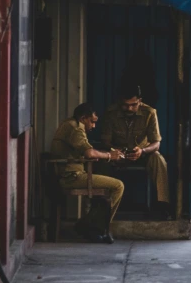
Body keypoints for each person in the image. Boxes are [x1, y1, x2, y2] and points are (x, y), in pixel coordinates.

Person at [50, 103, 125, 243]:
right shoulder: (76, 128)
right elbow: (90, 153)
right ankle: (94, 227)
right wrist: (110, 156)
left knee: (105, 181)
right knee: (118, 186)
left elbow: (86, 152)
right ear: (83, 118)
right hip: (71, 177)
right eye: (92, 121)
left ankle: (87, 223)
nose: (94, 126)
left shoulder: (69, 123)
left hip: (69, 174)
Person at [101, 85, 170, 219]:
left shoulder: (149, 112)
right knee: (102, 160)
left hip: (142, 153)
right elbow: (105, 142)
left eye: (133, 105)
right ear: (120, 101)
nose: (129, 109)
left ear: (140, 100)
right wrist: (115, 152)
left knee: (158, 159)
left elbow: (156, 143)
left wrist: (142, 151)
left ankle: (163, 205)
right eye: (125, 105)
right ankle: (102, 207)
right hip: (117, 154)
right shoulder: (111, 113)